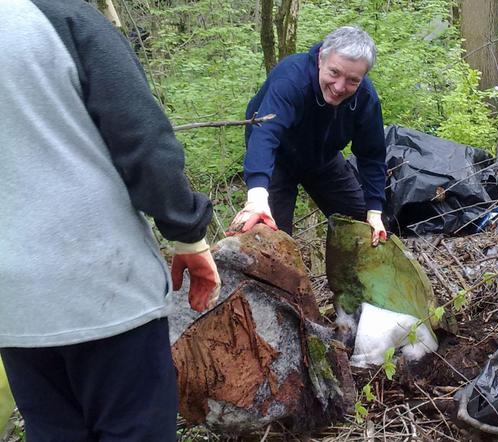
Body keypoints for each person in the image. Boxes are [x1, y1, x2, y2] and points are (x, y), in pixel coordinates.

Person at [0, 0, 221, 440]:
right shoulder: (62, 18)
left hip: (14, 306)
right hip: (103, 286)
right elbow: (144, 140)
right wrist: (187, 233)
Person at [227, 26, 388, 245]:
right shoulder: (291, 80)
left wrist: (375, 211)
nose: (340, 87)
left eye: (353, 80)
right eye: (334, 73)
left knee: (365, 228)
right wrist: (257, 196)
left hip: (323, 159)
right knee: (272, 239)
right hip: (277, 160)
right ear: (321, 59)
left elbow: (372, 154)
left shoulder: (365, 98)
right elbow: (265, 135)